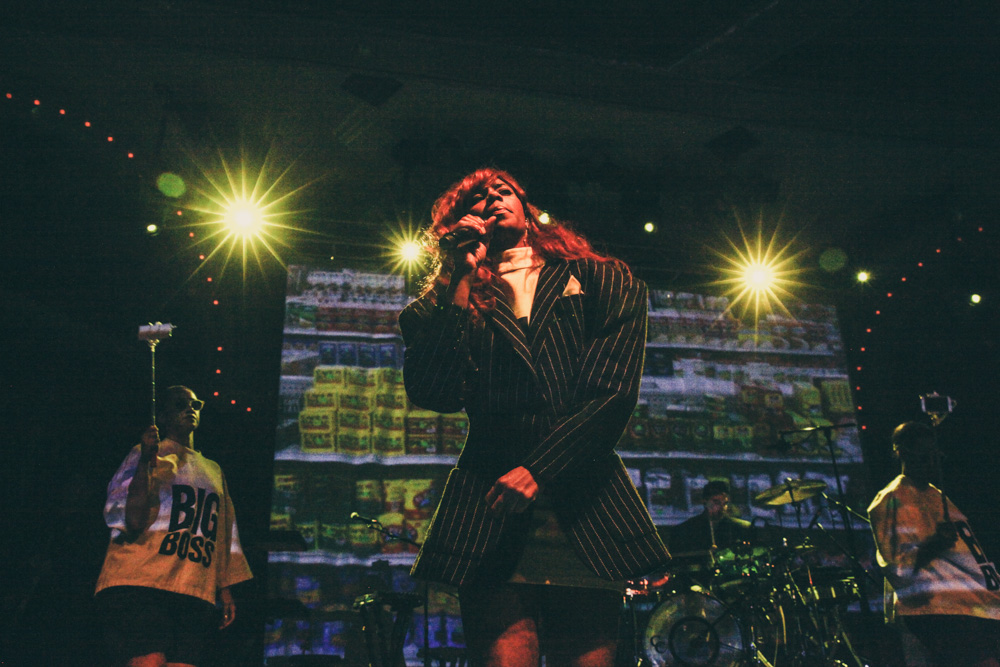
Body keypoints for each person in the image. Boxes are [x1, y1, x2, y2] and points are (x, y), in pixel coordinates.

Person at [399, 168, 669, 667]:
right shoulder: (435, 307)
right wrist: (456, 276)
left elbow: (612, 393)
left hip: (582, 494)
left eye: (503, 192)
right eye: (476, 198)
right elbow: (433, 392)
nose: (492, 199)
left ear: (526, 208)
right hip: (491, 497)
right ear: (457, 223)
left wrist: (539, 470)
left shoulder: (600, 278)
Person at [94, 386, 253, 667]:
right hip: (143, 582)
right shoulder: (147, 455)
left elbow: (224, 531)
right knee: (150, 661)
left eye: (196, 404)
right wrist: (146, 458)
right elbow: (128, 518)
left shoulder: (213, 469)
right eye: (181, 404)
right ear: (165, 416)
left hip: (192, 585)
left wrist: (225, 587)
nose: (190, 409)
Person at [867, 421, 1000, 666]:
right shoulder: (891, 499)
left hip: (973, 607)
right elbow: (898, 569)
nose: (931, 461)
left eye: (933, 454)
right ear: (903, 453)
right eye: (923, 454)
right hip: (940, 612)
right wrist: (934, 544)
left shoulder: (938, 496)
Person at [669, 479, 751, 555]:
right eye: (716, 502)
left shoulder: (739, 528)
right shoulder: (685, 531)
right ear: (704, 501)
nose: (722, 508)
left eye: (725, 503)